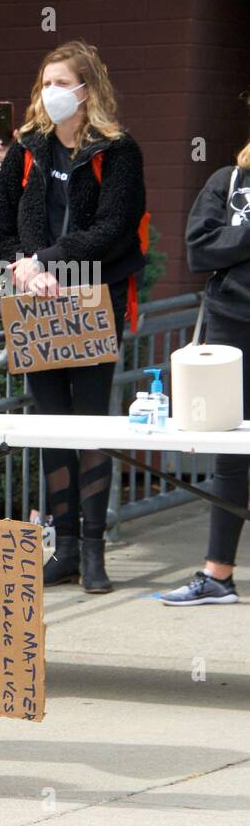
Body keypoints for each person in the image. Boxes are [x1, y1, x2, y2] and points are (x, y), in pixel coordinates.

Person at [0, 41, 147, 594]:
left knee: (90, 427)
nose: (52, 93)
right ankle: (66, 547)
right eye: (46, 83)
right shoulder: (25, 150)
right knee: (52, 427)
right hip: (35, 304)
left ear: (87, 90)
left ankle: (97, 547)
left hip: (93, 302)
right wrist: (25, 271)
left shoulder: (118, 151)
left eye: (63, 83)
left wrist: (48, 261)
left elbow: (115, 229)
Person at [159, 134, 250, 605]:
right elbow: (200, 250)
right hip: (231, 331)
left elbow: (220, 247)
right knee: (230, 451)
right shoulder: (228, 181)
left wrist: (233, 245)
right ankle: (219, 575)